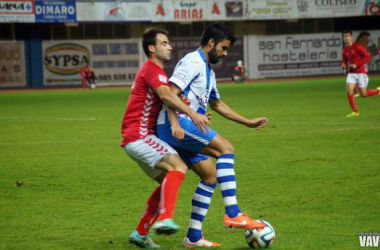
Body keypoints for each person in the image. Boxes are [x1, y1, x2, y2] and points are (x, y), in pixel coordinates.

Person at [157, 23, 268, 248]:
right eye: (224, 47)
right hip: (175, 125)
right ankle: (233, 213)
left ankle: (193, 237)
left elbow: (216, 103)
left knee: (210, 176)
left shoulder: (208, 70)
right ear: (211, 43)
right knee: (226, 148)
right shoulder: (192, 61)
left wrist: (246, 121)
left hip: (186, 124)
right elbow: (169, 93)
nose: (225, 53)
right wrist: (176, 122)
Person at [121, 28, 209, 249]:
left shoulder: (153, 72)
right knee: (178, 166)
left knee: (166, 183)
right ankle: (165, 219)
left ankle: (141, 233)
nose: (169, 46)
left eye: (169, 43)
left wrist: (188, 115)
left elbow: (167, 100)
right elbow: (166, 96)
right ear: (152, 48)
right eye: (164, 43)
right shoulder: (153, 70)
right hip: (139, 136)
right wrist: (192, 115)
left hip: (136, 137)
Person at [342, 30, 379, 117]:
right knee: (349, 91)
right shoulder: (345, 50)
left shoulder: (357, 46)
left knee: (363, 94)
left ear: (351, 37)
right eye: (345, 36)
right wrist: (344, 67)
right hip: (351, 73)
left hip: (361, 72)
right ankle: (355, 111)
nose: (346, 38)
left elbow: (367, 56)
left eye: (348, 36)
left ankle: (378, 90)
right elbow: (344, 61)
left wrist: (357, 64)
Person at [352, 31, 371, 97]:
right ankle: (356, 92)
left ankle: (378, 90)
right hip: (358, 72)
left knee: (363, 94)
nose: (366, 40)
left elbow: (369, 61)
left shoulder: (365, 49)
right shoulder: (356, 46)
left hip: (363, 74)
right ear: (360, 38)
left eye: (367, 39)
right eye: (365, 38)